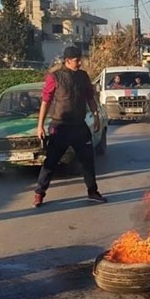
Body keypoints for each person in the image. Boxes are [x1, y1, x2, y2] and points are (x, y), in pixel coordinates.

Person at [33, 46, 107, 207]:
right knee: (51, 161)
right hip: (60, 127)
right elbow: (45, 101)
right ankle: (39, 193)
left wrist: (96, 117)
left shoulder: (83, 76)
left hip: (79, 126)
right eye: (76, 60)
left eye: (80, 59)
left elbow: (90, 98)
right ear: (67, 61)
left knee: (88, 160)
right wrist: (40, 126)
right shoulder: (55, 77)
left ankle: (93, 192)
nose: (80, 63)